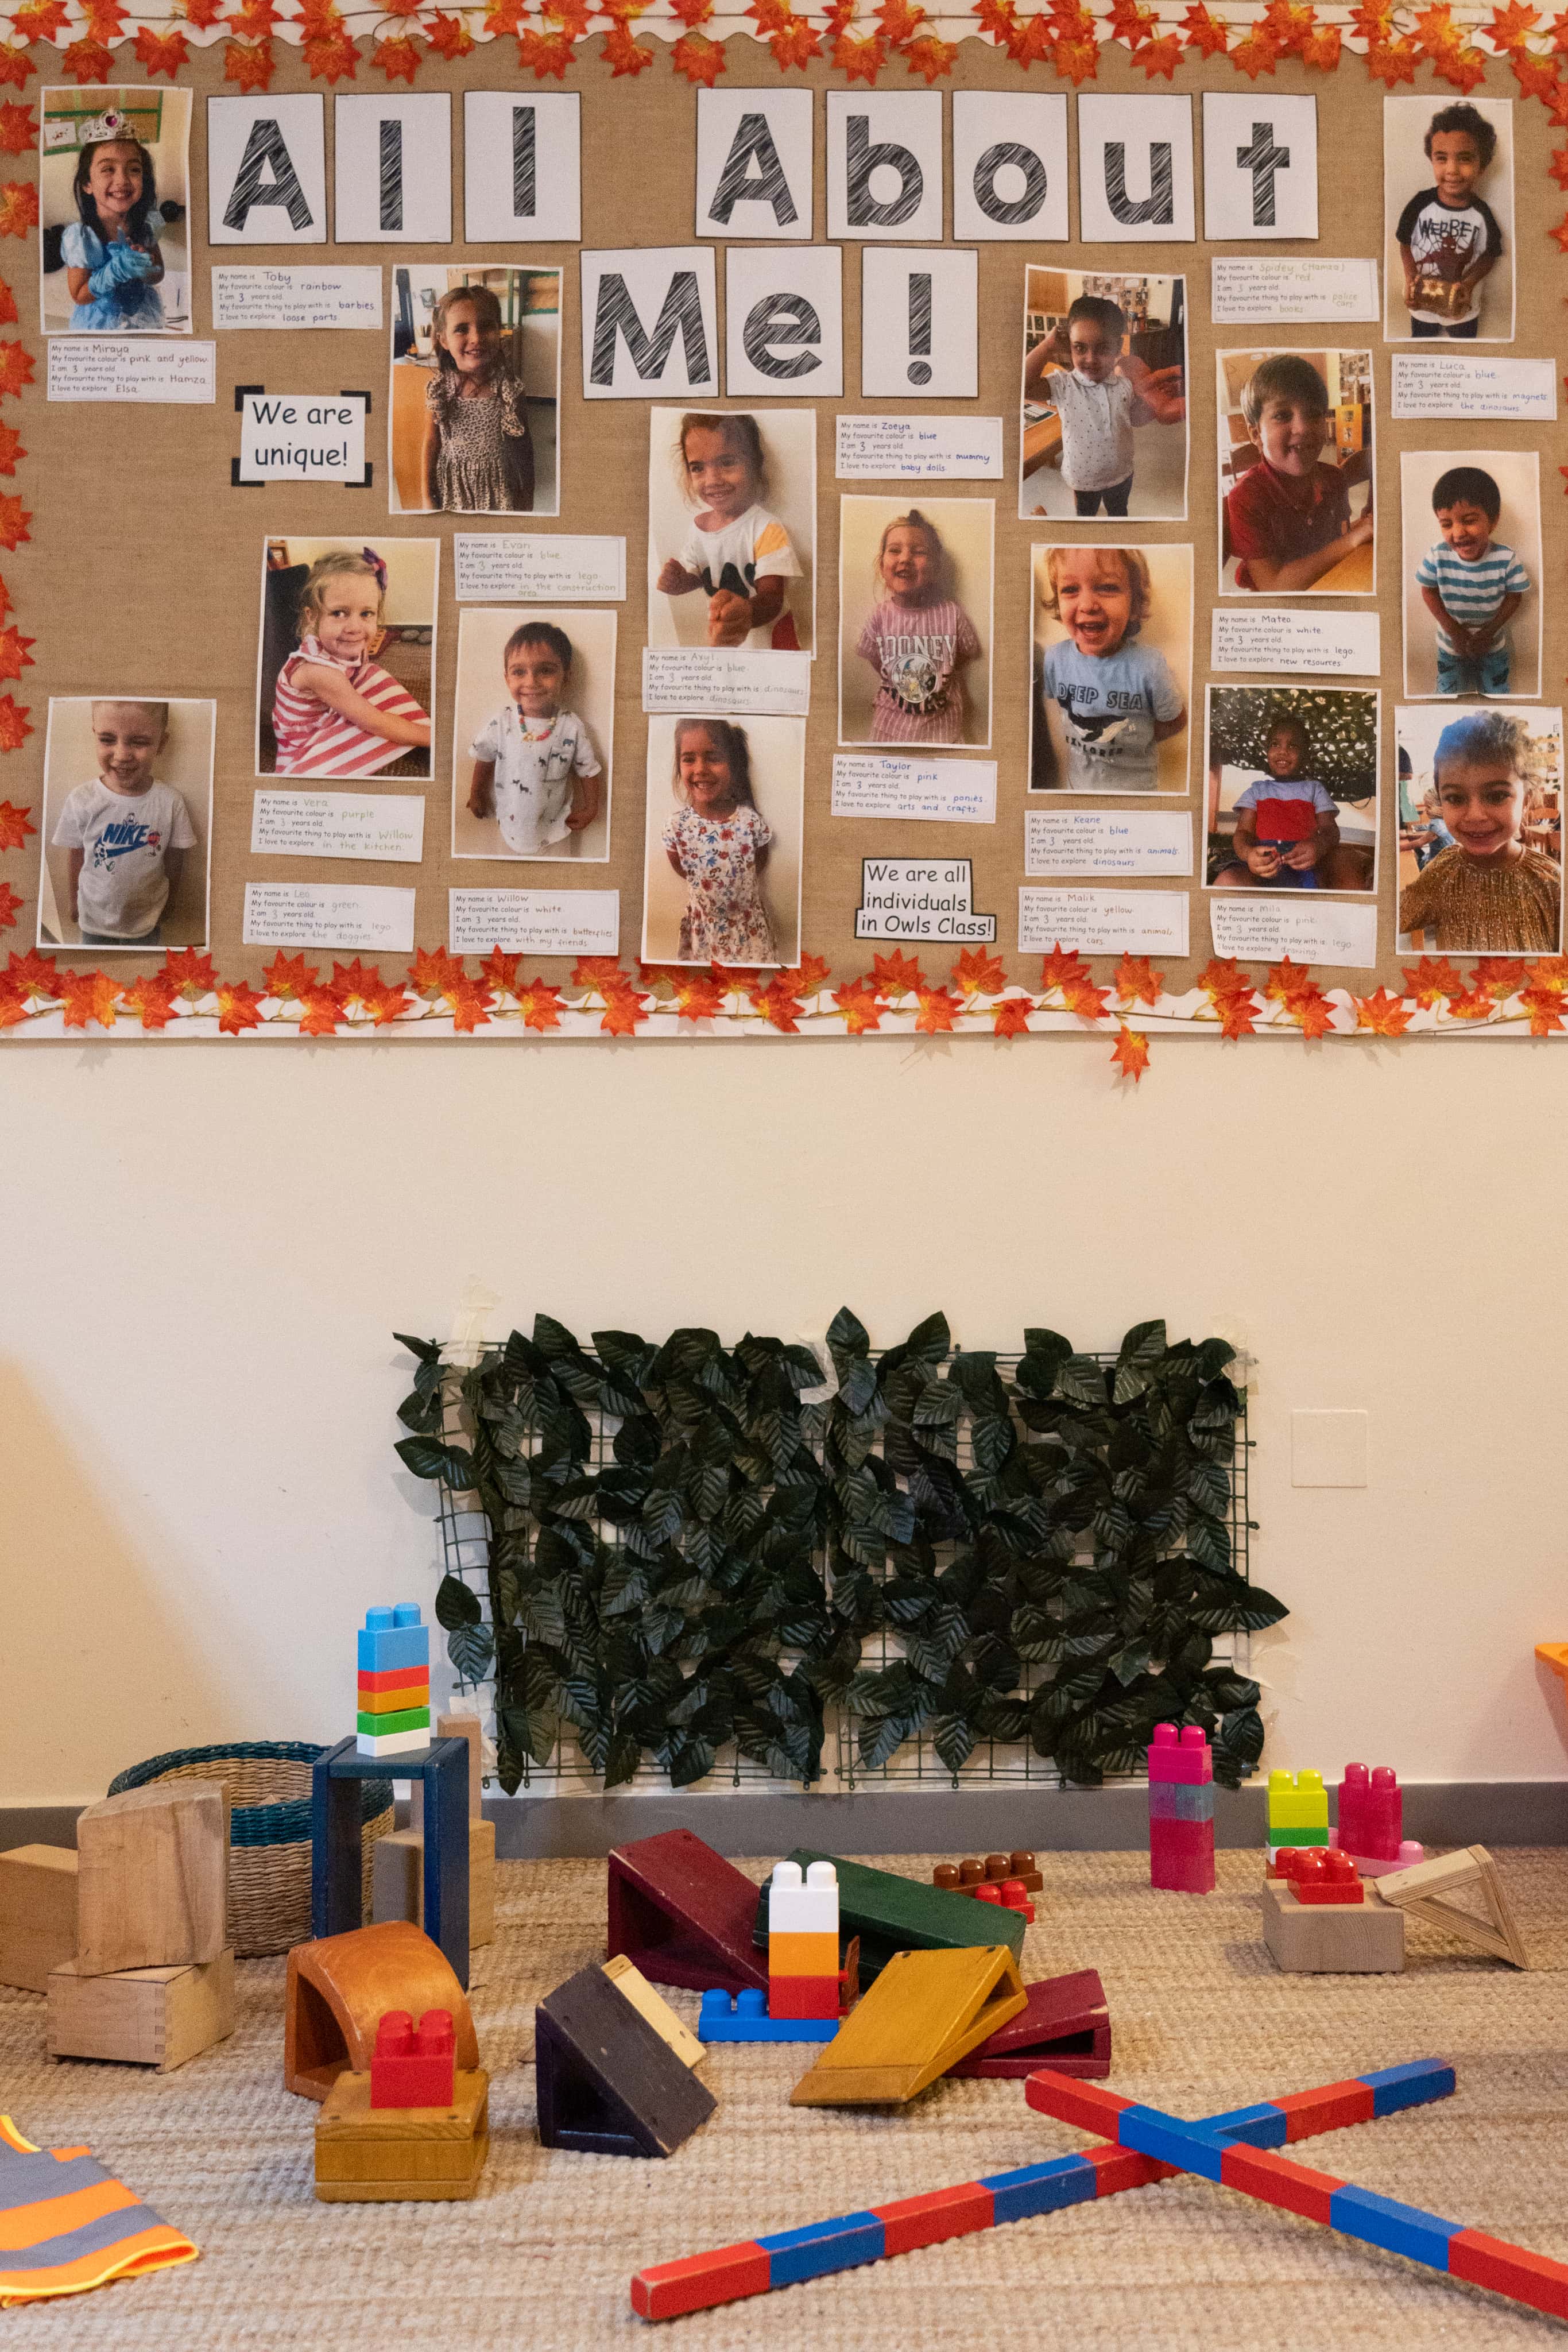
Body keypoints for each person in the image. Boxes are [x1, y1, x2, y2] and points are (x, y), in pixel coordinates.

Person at [1399, 710, 1560, 950]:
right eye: (1455, 798)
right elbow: (1390, 919)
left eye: (1496, 796)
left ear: (1526, 800)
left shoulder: (1551, 881)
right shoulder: (1442, 873)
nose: (1475, 815)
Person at [1033, 546, 1186, 794]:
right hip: (1078, 787)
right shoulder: (1053, 659)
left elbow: (1176, 720)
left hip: (1137, 792)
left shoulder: (1150, 665)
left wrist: (1134, 737)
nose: (1088, 605)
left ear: (1134, 604)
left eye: (1107, 587)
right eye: (1070, 589)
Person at [271, 549, 431, 779]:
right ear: (312, 617)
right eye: (339, 613)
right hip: (305, 746)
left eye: (366, 614)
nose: (354, 627)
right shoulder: (318, 672)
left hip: (331, 706)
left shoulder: (339, 646)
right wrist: (432, 738)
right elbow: (375, 723)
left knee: (375, 675)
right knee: (379, 725)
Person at [1022, 293, 1185, 519]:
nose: (1090, 358)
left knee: (1119, 513)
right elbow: (1023, 386)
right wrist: (1048, 346)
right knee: (1086, 516)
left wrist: (1155, 406)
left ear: (1118, 347)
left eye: (1102, 348)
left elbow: (1134, 418)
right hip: (1082, 480)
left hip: (1121, 474)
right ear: (1069, 345)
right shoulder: (1063, 385)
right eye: (1080, 348)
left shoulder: (1125, 384)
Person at [1225, 354, 1373, 594]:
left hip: (1332, 584)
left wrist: (1364, 527)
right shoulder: (1246, 498)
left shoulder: (1334, 479)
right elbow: (1274, 587)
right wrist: (1351, 540)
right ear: (1255, 435)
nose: (1303, 428)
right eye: (1283, 415)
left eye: (1314, 414)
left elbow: (1336, 540)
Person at [51, 700, 195, 947]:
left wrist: (171, 904)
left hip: (147, 921)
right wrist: (73, 902)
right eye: (108, 740)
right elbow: (77, 854)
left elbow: (175, 858)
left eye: (139, 742)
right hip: (93, 919)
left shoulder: (170, 801)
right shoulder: (82, 799)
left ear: (161, 744)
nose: (122, 755)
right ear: (95, 736)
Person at [656, 413, 802, 651]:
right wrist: (677, 581)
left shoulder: (767, 528)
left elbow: (772, 598)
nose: (712, 480)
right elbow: (698, 576)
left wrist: (746, 613)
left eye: (726, 462)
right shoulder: (698, 528)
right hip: (726, 638)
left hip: (771, 639)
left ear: (754, 464)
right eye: (698, 468)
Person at [466, 621, 601, 857]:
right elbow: (484, 757)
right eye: (519, 672)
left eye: (546, 670)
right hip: (509, 829)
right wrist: (476, 794)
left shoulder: (571, 726)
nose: (531, 682)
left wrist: (591, 808)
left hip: (556, 832)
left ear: (566, 676)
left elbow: (588, 770)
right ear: (507, 678)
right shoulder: (502, 722)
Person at [853, 509, 982, 746]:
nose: (904, 559)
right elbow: (875, 658)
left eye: (919, 552)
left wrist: (944, 674)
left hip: (944, 733)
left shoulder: (951, 613)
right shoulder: (879, 616)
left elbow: (967, 653)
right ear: (882, 565)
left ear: (935, 567)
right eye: (894, 550)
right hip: (888, 730)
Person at [660, 718, 777, 964]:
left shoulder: (750, 822)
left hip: (749, 934)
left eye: (713, 758)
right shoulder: (676, 828)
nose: (700, 769)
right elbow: (685, 870)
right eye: (689, 759)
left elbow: (759, 863)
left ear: (733, 765)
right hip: (703, 935)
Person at [418, 284, 534, 514]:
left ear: (498, 331)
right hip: (453, 489)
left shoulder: (510, 390)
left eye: (486, 327)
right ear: (444, 341)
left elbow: (525, 448)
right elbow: (431, 444)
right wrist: (427, 497)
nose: (476, 338)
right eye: (462, 329)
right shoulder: (439, 390)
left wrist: (527, 497)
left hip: (500, 489)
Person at [1415, 464, 1528, 699]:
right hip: (1450, 647)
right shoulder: (1437, 556)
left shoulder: (1506, 558)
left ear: (1493, 521)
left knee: (1497, 697)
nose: (1458, 533)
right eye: (1447, 524)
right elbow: (1428, 591)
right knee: (1448, 695)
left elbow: (1515, 597)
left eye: (1468, 520)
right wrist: (1454, 632)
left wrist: (1489, 633)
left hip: (1493, 646)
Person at [1396, 102, 1504, 339]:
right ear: (1432, 160)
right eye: (1442, 158)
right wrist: (1410, 278)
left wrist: (1469, 284)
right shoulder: (1419, 204)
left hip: (1463, 310)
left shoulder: (1482, 214)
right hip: (1421, 308)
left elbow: (1490, 255)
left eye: (1465, 159)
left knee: (1464, 358)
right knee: (1421, 357)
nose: (1452, 169)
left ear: (1482, 166)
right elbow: (1405, 243)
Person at [1213, 711, 1344, 891]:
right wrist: (1249, 854)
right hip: (1262, 865)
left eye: (1293, 746)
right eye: (1275, 744)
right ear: (1267, 752)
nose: (1283, 751)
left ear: (1305, 756)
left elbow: (1331, 830)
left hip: (1303, 868)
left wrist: (1318, 846)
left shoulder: (1315, 789)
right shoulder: (1257, 790)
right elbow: (1243, 833)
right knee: (1226, 880)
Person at [62, 126, 167, 332]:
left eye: (134, 169)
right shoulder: (81, 237)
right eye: (108, 169)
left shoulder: (146, 225)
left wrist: (147, 266)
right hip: (101, 322)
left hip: (143, 315)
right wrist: (114, 272)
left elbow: (159, 274)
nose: (122, 180)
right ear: (87, 184)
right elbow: (79, 295)